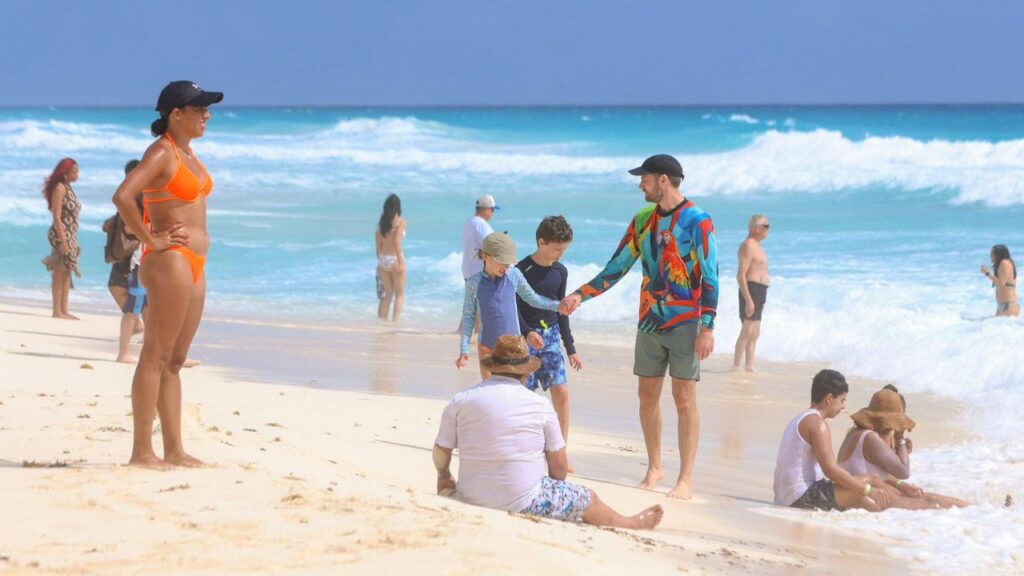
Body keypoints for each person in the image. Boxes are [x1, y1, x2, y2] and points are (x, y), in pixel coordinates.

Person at [559, 154, 718, 500]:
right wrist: (580, 296)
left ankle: (685, 479)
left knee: (684, 400)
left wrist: (708, 325)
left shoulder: (697, 221)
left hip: (686, 322)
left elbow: (710, 275)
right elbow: (616, 268)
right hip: (649, 321)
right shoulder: (642, 220)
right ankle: (655, 466)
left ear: (663, 180)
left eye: (644, 178)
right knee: (647, 396)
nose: (640, 184)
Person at [434, 334, 664, 530]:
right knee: (589, 498)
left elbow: (441, 452)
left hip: (469, 495)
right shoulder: (540, 405)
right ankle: (631, 523)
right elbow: (559, 469)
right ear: (526, 374)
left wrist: (444, 475)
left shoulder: (461, 400)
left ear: (493, 368)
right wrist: (551, 483)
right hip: (522, 501)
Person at [112, 80, 223, 468]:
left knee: (175, 361)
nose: (207, 115)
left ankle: (174, 450)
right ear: (176, 114)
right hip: (171, 260)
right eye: (199, 109)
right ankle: (142, 451)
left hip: (195, 262)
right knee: (155, 356)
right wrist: (151, 239)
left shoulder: (188, 153)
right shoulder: (162, 152)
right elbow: (123, 196)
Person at [516, 216, 583, 470]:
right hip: (528, 338)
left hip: (552, 336)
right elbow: (514, 307)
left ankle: (560, 451)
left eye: (564, 249)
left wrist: (571, 348)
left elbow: (561, 311)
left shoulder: (560, 271)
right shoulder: (522, 270)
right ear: (541, 242)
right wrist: (526, 333)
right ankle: (523, 447)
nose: (560, 254)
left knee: (561, 393)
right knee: (524, 394)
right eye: (557, 248)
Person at [773, 369, 893, 512]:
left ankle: (887, 516)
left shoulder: (800, 419)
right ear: (829, 398)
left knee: (858, 497)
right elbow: (830, 470)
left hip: (784, 497)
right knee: (870, 481)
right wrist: (867, 490)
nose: (843, 406)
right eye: (842, 400)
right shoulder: (818, 424)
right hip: (800, 498)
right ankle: (905, 509)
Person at [838, 386, 968, 509]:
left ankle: (976, 510)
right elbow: (904, 471)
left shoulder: (856, 432)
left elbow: (873, 471)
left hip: (865, 495)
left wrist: (902, 485)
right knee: (933, 504)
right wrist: (900, 438)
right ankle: (976, 512)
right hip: (868, 499)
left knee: (930, 498)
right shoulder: (871, 438)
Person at [457, 232, 561, 379]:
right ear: (486, 256)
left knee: (515, 392)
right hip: (487, 348)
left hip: (516, 347)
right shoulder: (474, 283)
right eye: (502, 262)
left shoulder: (514, 275)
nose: (506, 267)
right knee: (491, 393)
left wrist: (558, 306)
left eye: (508, 263)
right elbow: (469, 316)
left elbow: (533, 299)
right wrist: (464, 350)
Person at [107, 159, 147, 362]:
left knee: (144, 302)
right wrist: (152, 233)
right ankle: (124, 352)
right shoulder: (133, 196)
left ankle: (147, 344)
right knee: (135, 301)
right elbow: (130, 228)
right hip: (136, 256)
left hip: (142, 256)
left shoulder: (139, 195)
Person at [41, 158, 81, 320]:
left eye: (77, 171)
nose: (76, 174)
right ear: (64, 173)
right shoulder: (60, 188)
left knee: (66, 271)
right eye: (73, 172)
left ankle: (64, 310)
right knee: (59, 272)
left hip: (70, 234)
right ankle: (57, 311)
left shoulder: (68, 188)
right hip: (60, 234)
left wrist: (72, 240)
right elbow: (57, 217)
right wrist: (63, 241)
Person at [733, 214, 770, 372]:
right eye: (766, 227)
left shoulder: (758, 246)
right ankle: (736, 366)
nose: (768, 230)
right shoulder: (748, 245)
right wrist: (748, 299)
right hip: (751, 289)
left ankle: (749, 366)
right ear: (757, 228)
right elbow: (741, 275)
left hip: (760, 290)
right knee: (747, 330)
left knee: (755, 332)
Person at [459, 195, 498, 335]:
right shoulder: (481, 224)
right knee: (481, 307)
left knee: (471, 308)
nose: (492, 213)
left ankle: (461, 335)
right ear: (486, 209)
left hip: (468, 268)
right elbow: (492, 245)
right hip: (478, 270)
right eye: (492, 210)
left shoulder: (469, 222)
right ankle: (478, 339)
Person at [376, 194, 406, 322]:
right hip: (394, 259)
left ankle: (381, 323)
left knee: (387, 295)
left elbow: (378, 247)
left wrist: (380, 262)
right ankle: (395, 324)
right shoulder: (400, 223)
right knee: (399, 295)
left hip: (383, 260)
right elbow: (397, 242)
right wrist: (401, 262)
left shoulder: (382, 225)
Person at [981, 245, 1018, 317]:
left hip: (1008, 306)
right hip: (1004, 306)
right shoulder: (1004, 263)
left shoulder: (1005, 262)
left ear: (998, 255)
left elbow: (1001, 283)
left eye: (992, 254)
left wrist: (987, 273)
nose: (990, 257)